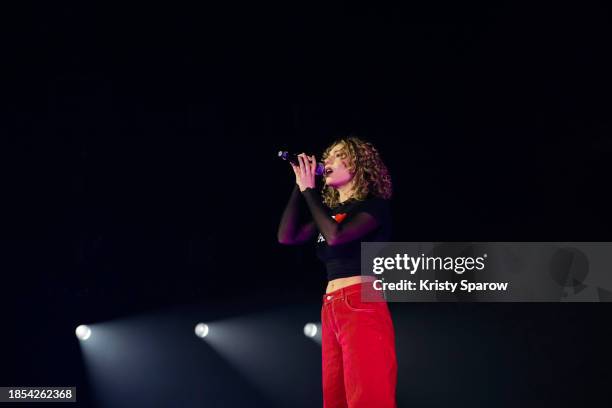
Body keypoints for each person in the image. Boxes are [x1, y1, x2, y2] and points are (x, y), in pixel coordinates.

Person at [277, 136, 397, 408]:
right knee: (336, 400)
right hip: (331, 307)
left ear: (357, 165)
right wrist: (300, 186)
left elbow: (336, 237)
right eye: (326, 156)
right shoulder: (330, 212)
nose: (327, 160)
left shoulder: (373, 206)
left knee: (368, 397)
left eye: (337, 155)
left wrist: (309, 191)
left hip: (360, 303)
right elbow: (287, 236)